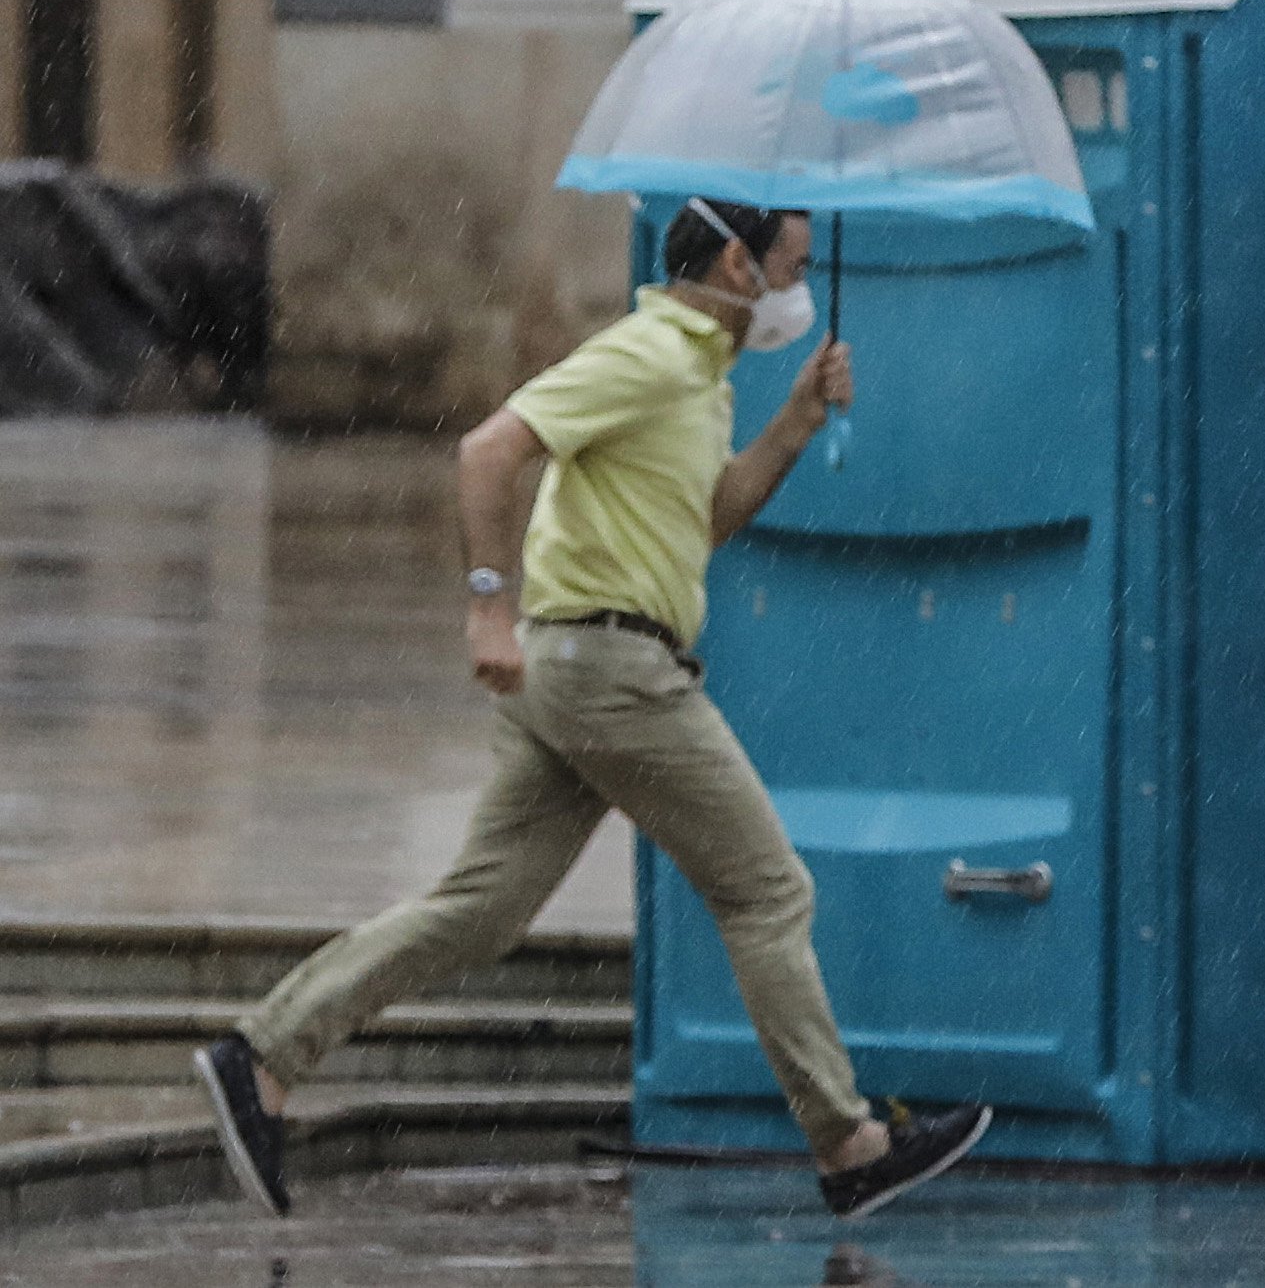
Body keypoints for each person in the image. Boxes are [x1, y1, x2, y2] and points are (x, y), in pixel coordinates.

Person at [193, 198, 989, 1221]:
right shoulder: (652, 351)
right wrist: (488, 607)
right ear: (739, 265)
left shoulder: (696, 375)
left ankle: (259, 1055)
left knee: (479, 910)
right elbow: (488, 448)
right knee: (766, 891)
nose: (800, 288)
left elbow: (702, 519)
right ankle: (846, 1141)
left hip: (573, 674)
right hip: (609, 669)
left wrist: (793, 420)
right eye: (791, 266)